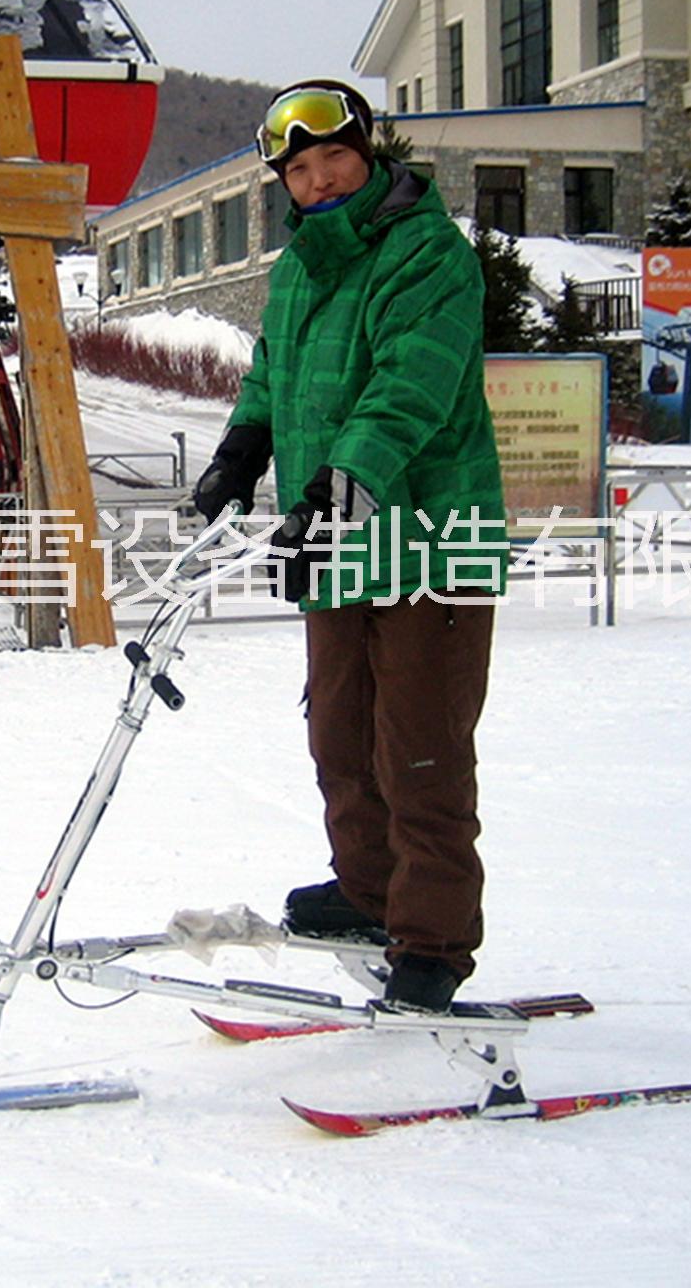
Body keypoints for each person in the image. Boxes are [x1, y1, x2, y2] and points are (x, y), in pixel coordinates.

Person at [190, 81, 506, 1012]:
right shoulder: (298, 270)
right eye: (298, 168)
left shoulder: (429, 254)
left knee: (420, 744)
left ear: (367, 154)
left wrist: (342, 482)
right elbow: (272, 376)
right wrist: (243, 449)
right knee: (340, 731)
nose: (320, 179)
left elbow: (412, 382)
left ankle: (435, 938)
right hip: (334, 536)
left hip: (427, 536)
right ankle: (369, 891)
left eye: (333, 158)